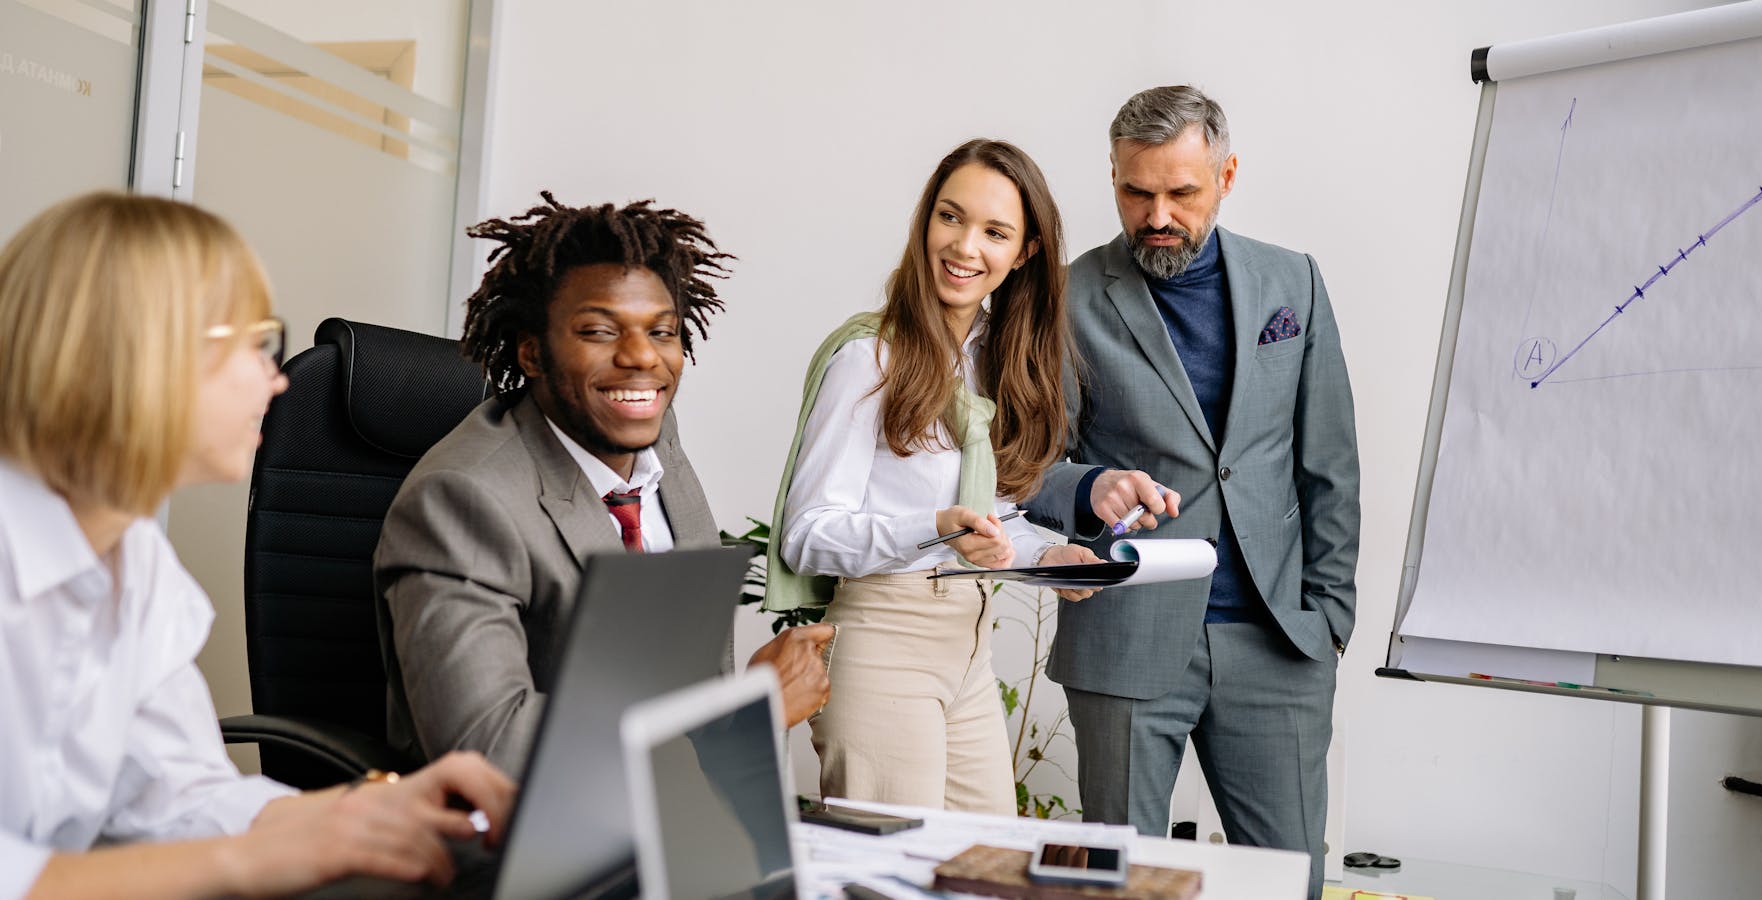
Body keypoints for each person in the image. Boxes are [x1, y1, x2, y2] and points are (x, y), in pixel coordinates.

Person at [0, 192, 516, 899]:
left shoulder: (135, 556)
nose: (277, 380)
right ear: (145, 350)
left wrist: (371, 807)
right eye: (256, 344)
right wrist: (245, 864)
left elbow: (179, 798)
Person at [1022, 86, 1360, 897]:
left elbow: (1330, 462)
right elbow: (1024, 469)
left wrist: (1330, 616)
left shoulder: (1294, 284)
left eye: (1182, 192)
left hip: (1278, 641)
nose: (1158, 214)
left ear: (1227, 174)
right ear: (1112, 178)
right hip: (1126, 638)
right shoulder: (1064, 300)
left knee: (1287, 883)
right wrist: (1091, 484)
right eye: (1137, 192)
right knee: (1121, 885)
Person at [375, 193, 833, 777]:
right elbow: (489, 748)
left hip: (677, 828)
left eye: (662, 332)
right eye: (599, 331)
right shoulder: (461, 500)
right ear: (533, 353)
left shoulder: (655, 436)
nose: (642, 357)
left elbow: (688, 672)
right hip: (517, 851)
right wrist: (749, 714)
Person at [765, 139, 1102, 814]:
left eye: (995, 232)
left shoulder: (990, 362)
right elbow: (806, 536)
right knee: (896, 882)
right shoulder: (869, 357)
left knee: (986, 868)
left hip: (969, 654)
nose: (965, 246)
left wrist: (1048, 556)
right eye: (951, 217)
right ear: (926, 221)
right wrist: (935, 529)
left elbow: (988, 521)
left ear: (1025, 252)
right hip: (884, 646)